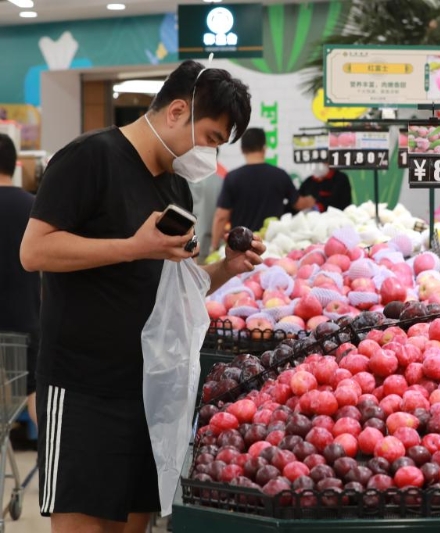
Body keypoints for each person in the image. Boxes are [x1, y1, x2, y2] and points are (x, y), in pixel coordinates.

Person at [19, 60, 264, 533]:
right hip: (82, 385)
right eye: (211, 138)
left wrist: (226, 269)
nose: (210, 158)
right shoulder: (91, 157)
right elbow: (34, 251)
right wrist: (134, 247)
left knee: (135, 525)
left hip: (150, 391)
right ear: (176, 111)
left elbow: (179, 288)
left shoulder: (176, 186)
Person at [212, 128, 314, 249]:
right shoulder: (279, 175)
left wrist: (213, 246)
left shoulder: (232, 178)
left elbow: (221, 216)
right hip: (274, 244)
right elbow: (298, 204)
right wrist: (312, 200)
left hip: (242, 246)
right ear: (264, 148)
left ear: (242, 150)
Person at [0, 134, 40, 430]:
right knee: (35, 395)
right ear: (15, 164)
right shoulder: (36, 208)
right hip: (27, 319)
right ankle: (47, 461)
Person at [188, 155, 223, 262]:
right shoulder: (220, 182)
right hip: (209, 245)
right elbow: (221, 216)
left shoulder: (184, 179)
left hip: (186, 243)